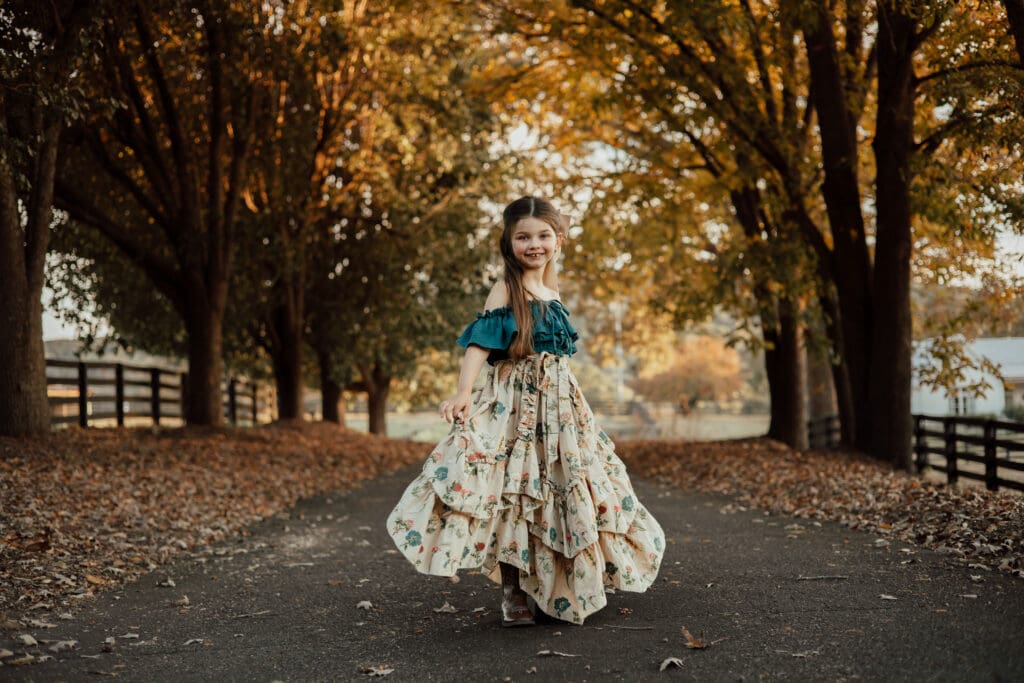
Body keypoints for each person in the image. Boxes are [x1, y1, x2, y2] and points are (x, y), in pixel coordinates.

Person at [386, 196, 664, 627]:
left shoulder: (553, 292)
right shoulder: (505, 289)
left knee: (562, 484)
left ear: (558, 241)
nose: (534, 244)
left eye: (543, 235)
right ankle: (513, 590)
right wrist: (463, 392)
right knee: (515, 490)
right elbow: (480, 343)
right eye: (523, 236)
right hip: (515, 402)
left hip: (560, 406)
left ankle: (555, 586)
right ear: (509, 242)